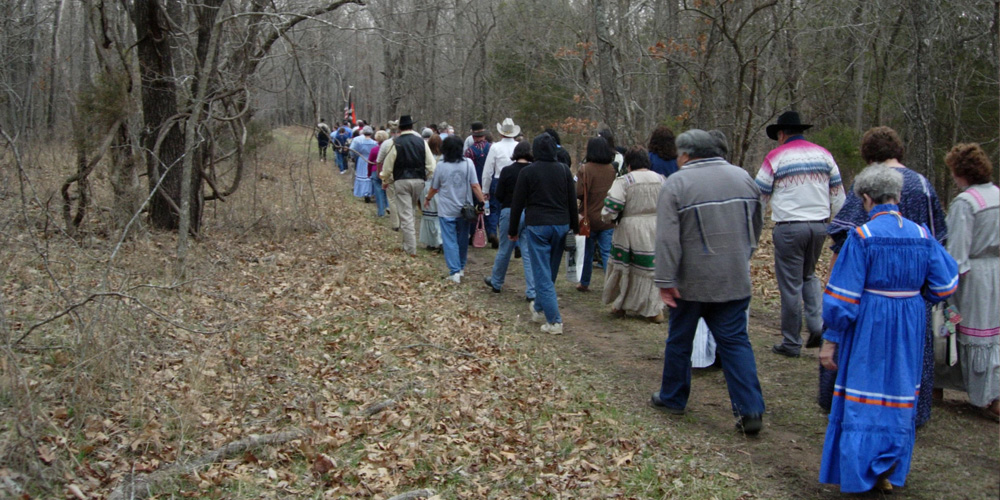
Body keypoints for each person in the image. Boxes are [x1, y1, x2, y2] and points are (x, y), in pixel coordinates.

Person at [818, 165, 958, 493]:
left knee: (864, 390)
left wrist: (831, 339)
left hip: (870, 322)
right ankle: (888, 469)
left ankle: (860, 471)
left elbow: (843, 296)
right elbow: (946, 282)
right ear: (896, 196)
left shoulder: (863, 236)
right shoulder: (922, 235)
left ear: (867, 198)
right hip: (909, 321)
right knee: (898, 390)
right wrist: (913, 295)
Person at [822, 126, 947, 428]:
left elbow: (844, 238)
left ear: (868, 155)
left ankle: (856, 414)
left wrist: (832, 282)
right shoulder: (923, 185)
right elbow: (939, 241)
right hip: (912, 297)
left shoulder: (868, 185)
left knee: (867, 360)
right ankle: (910, 413)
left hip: (870, 296)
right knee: (908, 361)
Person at [652, 129, 765, 435]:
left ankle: (673, 397)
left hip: (690, 280)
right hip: (733, 276)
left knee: (680, 339)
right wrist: (743, 256)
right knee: (736, 342)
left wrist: (665, 278)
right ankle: (750, 408)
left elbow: (666, 238)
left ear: (686, 154)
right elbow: (757, 224)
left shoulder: (677, 183)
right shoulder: (743, 177)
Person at [755, 111, 845, 358]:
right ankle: (816, 326)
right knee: (808, 275)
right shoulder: (824, 155)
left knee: (790, 285)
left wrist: (753, 228)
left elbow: (759, 196)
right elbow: (838, 196)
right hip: (819, 226)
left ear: (782, 134)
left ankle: (791, 341)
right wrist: (839, 231)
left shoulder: (776, 157)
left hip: (789, 227)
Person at [940, 143, 1000, 420]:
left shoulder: (966, 203)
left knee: (968, 333)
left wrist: (947, 285)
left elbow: (957, 253)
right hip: (995, 271)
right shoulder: (996, 195)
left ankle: (985, 395)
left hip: (974, 277)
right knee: (992, 334)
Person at [509, 133, 579, 335]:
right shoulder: (564, 170)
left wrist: (513, 230)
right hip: (561, 224)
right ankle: (539, 308)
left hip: (538, 225)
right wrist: (574, 227)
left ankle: (555, 321)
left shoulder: (528, 172)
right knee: (549, 271)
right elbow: (571, 201)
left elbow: (517, 204)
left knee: (541, 272)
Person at [600, 147, 665, 321]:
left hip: (630, 227)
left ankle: (620, 305)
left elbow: (612, 206)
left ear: (629, 164)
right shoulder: (661, 179)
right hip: (655, 227)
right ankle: (654, 309)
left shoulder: (625, 181)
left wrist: (609, 218)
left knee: (624, 267)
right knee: (649, 268)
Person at [425, 136, 486, 282]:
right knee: (463, 238)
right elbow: (475, 185)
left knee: (449, 240)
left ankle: (454, 271)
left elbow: (435, 187)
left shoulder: (441, 165)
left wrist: (427, 198)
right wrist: (483, 202)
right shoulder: (468, 163)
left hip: (446, 209)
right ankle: (461, 267)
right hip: (465, 209)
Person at [484, 141, 535, 301]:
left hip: (509, 210)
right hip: (529, 213)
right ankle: (532, 291)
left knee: (505, 249)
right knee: (528, 252)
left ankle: (497, 282)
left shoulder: (507, 171)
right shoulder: (533, 171)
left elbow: (498, 194)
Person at [380, 115, 436, 256]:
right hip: (419, 181)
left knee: (405, 215)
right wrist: (427, 177)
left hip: (401, 181)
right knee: (409, 211)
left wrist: (385, 180)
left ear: (400, 127)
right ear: (412, 126)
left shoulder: (396, 143)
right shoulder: (421, 142)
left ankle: (410, 249)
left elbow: (387, 166)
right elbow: (431, 165)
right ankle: (407, 244)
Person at [576, 137, 618, 293]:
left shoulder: (584, 169)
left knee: (587, 252)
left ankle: (584, 282)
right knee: (607, 252)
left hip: (588, 218)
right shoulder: (611, 169)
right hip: (607, 217)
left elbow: (579, 192)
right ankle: (611, 285)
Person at [482, 118, 521, 247]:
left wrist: (485, 190)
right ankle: (514, 239)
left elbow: (488, 170)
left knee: (494, 209)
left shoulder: (495, 147)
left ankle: (493, 232)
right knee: (514, 209)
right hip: (516, 180)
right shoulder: (518, 146)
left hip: (498, 179)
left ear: (501, 133)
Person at [419, 134, 444, 251]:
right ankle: (440, 240)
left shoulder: (424, 156)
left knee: (428, 216)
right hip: (439, 188)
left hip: (426, 185)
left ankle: (430, 241)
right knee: (438, 216)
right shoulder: (444, 157)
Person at [376, 120, 400, 228]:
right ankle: (404, 222)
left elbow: (379, 161)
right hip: (404, 175)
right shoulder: (411, 142)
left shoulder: (386, 144)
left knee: (392, 199)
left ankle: (396, 223)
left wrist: (380, 174)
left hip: (391, 175)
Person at [349, 126, 376, 201]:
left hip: (362, 160)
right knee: (369, 177)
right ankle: (369, 193)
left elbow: (352, 150)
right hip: (371, 160)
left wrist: (353, 156)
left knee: (362, 175)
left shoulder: (359, 142)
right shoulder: (374, 143)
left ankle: (364, 192)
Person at [369, 130, 390, 217]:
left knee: (378, 192)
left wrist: (368, 173)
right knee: (387, 191)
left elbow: (370, 162)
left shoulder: (374, 150)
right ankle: (388, 206)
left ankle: (381, 212)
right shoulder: (389, 149)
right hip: (386, 171)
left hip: (375, 171)